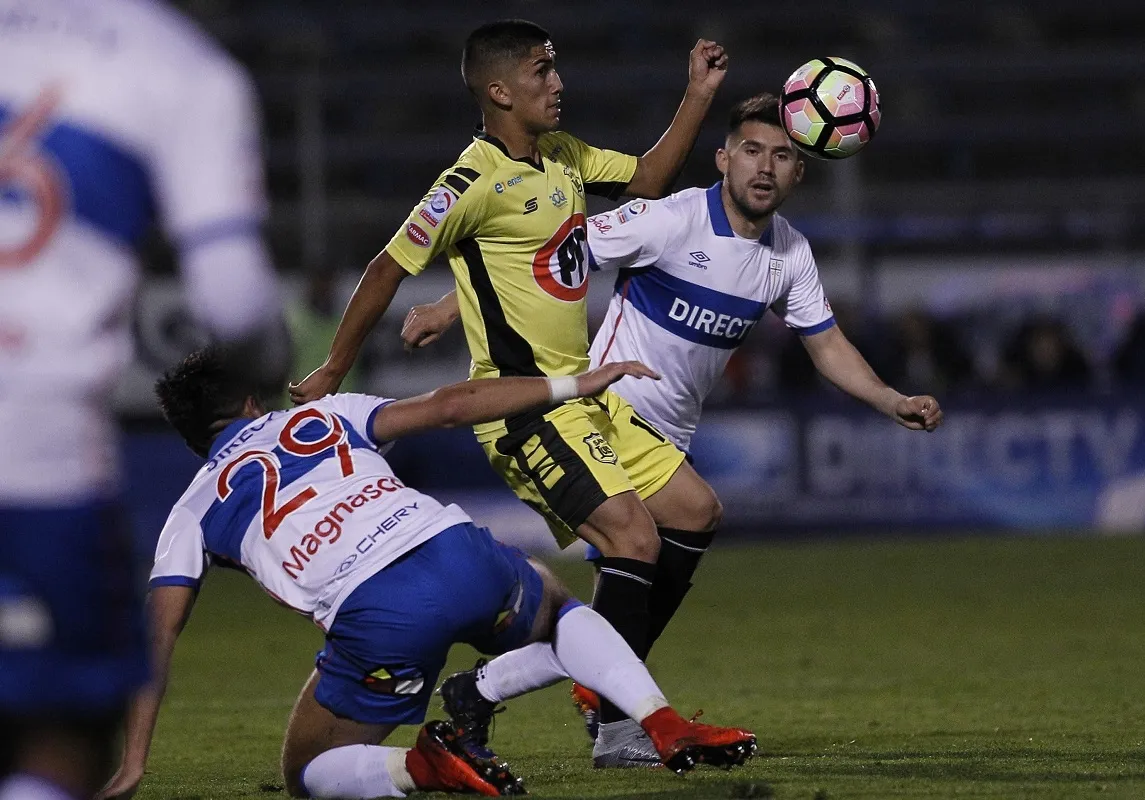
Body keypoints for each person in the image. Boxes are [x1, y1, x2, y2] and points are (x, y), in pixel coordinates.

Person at [404, 93, 944, 757]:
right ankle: (616, 719)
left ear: (799, 172)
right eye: (751, 150)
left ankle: (500, 690)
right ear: (723, 159)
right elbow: (553, 254)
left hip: (664, 439)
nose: (764, 167)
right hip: (600, 415)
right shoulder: (669, 219)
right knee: (666, 537)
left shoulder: (789, 255)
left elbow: (826, 344)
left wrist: (891, 400)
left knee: (659, 562)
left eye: (781, 156)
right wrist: (448, 306)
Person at [290, 19, 731, 766]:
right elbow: (387, 267)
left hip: (586, 394)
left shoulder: (563, 156)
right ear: (499, 91)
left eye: (554, 69)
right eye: (540, 72)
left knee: (695, 511)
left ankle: (523, 686)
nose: (557, 84)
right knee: (634, 539)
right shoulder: (469, 182)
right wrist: (334, 367)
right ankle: (619, 728)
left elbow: (648, 179)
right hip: (524, 410)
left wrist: (696, 94)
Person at [100, 347, 756, 799]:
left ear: (191, 436)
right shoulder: (323, 415)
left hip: (377, 615)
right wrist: (573, 384)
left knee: (308, 770)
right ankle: (657, 719)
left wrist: (133, 761)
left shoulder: (191, 510)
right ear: (250, 401)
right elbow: (449, 405)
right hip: (455, 551)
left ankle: (423, 765)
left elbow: (156, 637)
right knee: (561, 611)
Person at [0, 3, 286, 799]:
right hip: (39, 459)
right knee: (62, 736)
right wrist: (263, 366)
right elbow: (234, 299)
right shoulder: (182, 67)